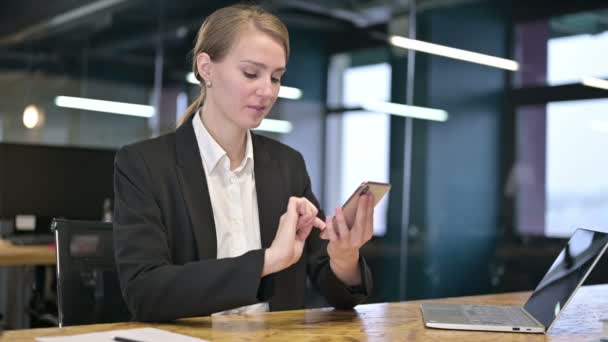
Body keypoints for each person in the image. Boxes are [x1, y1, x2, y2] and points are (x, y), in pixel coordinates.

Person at [113, 4, 374, 322]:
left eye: (276, 77)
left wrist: (344, 259)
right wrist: (268, 260)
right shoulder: (144, 165)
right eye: (251, 73)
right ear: (206, 68)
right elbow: (145, 292)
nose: (267, 91)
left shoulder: (287, 165)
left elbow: (334, 288)